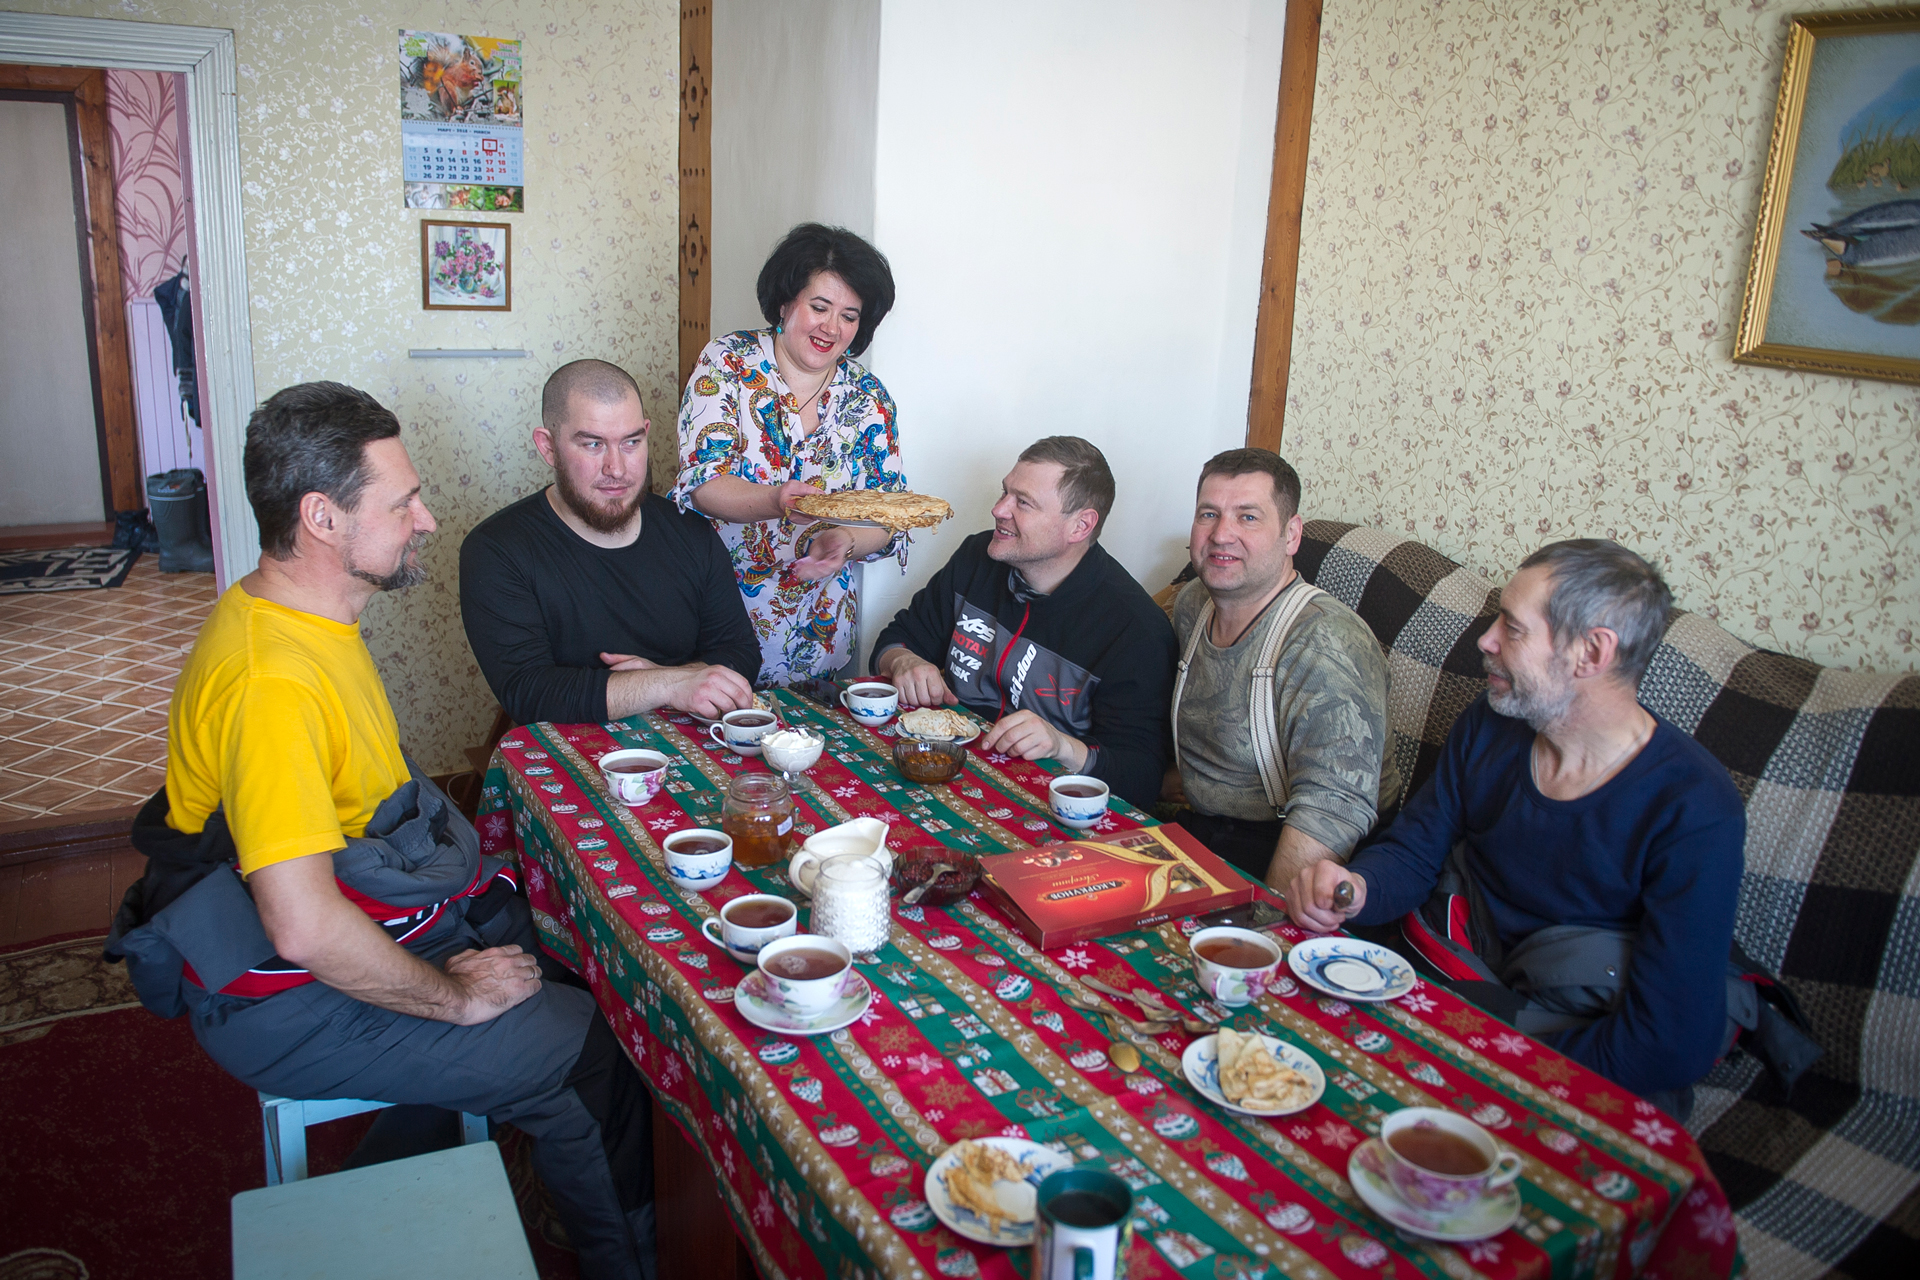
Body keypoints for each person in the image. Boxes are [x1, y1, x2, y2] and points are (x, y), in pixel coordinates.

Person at [115, 383, 655, 1279]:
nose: (427, 519)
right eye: (403, 502)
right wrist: (455, 998)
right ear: (321, 518)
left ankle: (436, 1150)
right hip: (277, 992)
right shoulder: (271, 685)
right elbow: (302, 926)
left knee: (572, 951)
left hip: (355, 923)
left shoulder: (309, 618)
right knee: (590, 1054)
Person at [1287, 540, 1746, 1115]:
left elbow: (1669, 1042)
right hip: (1462, 975)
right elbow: (1413, 851)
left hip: (1576, 1037)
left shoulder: (1695, 807)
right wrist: (1354, 889)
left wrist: (1484, 1062)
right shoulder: (1491, 723)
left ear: (1591, 652)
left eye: (1513, 627)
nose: (1486, 640)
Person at [869, 437, 1174, 811]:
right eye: (1005, 492)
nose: (998, 509)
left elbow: (1141, 778)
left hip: (1041, 806)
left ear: (1080, 526)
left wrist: (1062, 745)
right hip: (941, 771)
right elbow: (895, 640)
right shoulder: (976, 557)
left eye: (1023, 502)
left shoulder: (1136, 629)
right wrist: (903, 661)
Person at [462, 359, 761, 726]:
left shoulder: (691, 531)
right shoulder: (496, 550)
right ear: (548, 447)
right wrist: (667, 685)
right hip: (567, 752)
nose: (616, 469)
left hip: (691, 746)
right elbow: (530, 693)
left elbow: (741, 654)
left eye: (631, 442)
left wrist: (665, 680)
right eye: (593, 444)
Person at [673, 223, 909, 684]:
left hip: (816, 632)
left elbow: (888, 514)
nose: (831, 328)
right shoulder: (728, 363)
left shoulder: (869, 398)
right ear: (784, 303)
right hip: (713, 617)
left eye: (849, 315)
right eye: (819, 307)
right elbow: (702, 483)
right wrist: (775, 499)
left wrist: (845, 540)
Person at [1168, 449, 1400, 888]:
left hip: (1295, 851)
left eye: (1248, 517)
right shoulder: (1192, 604)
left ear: (1291, 535)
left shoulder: (1326, 642)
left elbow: (1331, 812)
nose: (1221, 534)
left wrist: (1268, 914)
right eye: (1208, 514)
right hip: (1204, 829)